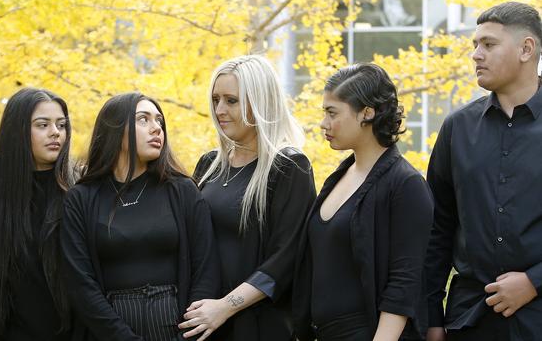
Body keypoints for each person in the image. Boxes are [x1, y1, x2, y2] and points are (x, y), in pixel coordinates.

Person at [425, 1, 542, 341]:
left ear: (526, 48)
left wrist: (534, 282)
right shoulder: (456, 128)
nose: (476, 54)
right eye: (475, 45)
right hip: (469, 320)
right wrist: (432, 316)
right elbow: (438, 228)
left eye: (488, 44)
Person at [61, 92, 219, 340]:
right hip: (108, 332)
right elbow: (80, 282)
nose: (156, 128)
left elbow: (206, 267)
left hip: (177, 328)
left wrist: (189, 333)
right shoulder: (81, 198)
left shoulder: (182, 190)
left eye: (159, 121)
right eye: (143, 119)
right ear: (115, 129)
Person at [292, 63, 433, 341]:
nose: (324, 123)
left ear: (367, 113)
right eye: (324, 113)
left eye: (332, 113)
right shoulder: (339, 176)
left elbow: (404, 283)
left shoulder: (405, 184)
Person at [180, 54, 316, 341]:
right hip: (202, 320)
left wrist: (224, 308)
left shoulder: (288, 166)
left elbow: (286, 258)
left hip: (257, 325)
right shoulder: (209, 165)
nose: (220, 109)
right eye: (216, 99)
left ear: (261, 102)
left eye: (231, 100)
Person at [0, 88, 73, 340]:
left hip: (69, 332)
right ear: (18, 131)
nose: (55, 132)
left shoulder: (79, 192)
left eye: (61, 124)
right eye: (42, 124)